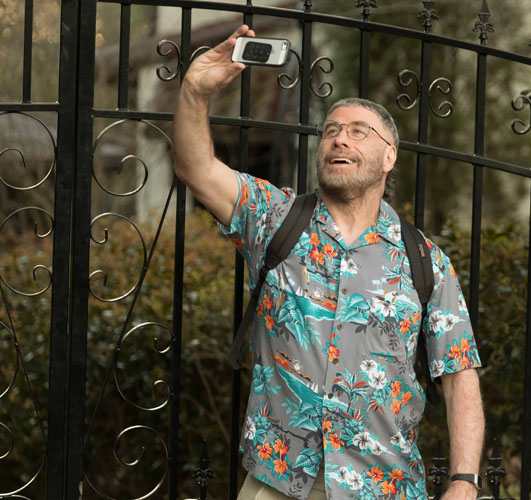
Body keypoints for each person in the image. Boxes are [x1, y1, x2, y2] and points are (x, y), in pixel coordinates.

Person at [173, 24, 485, 500]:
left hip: (384, 485)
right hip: (278, 480)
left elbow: (459, 375)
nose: (340, 139)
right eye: (332, 131)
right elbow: (196, 168)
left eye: (359, 132)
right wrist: (195, 92)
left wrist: (464, 480)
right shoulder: (274, 218)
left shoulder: (425, 261)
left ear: (389, 157)